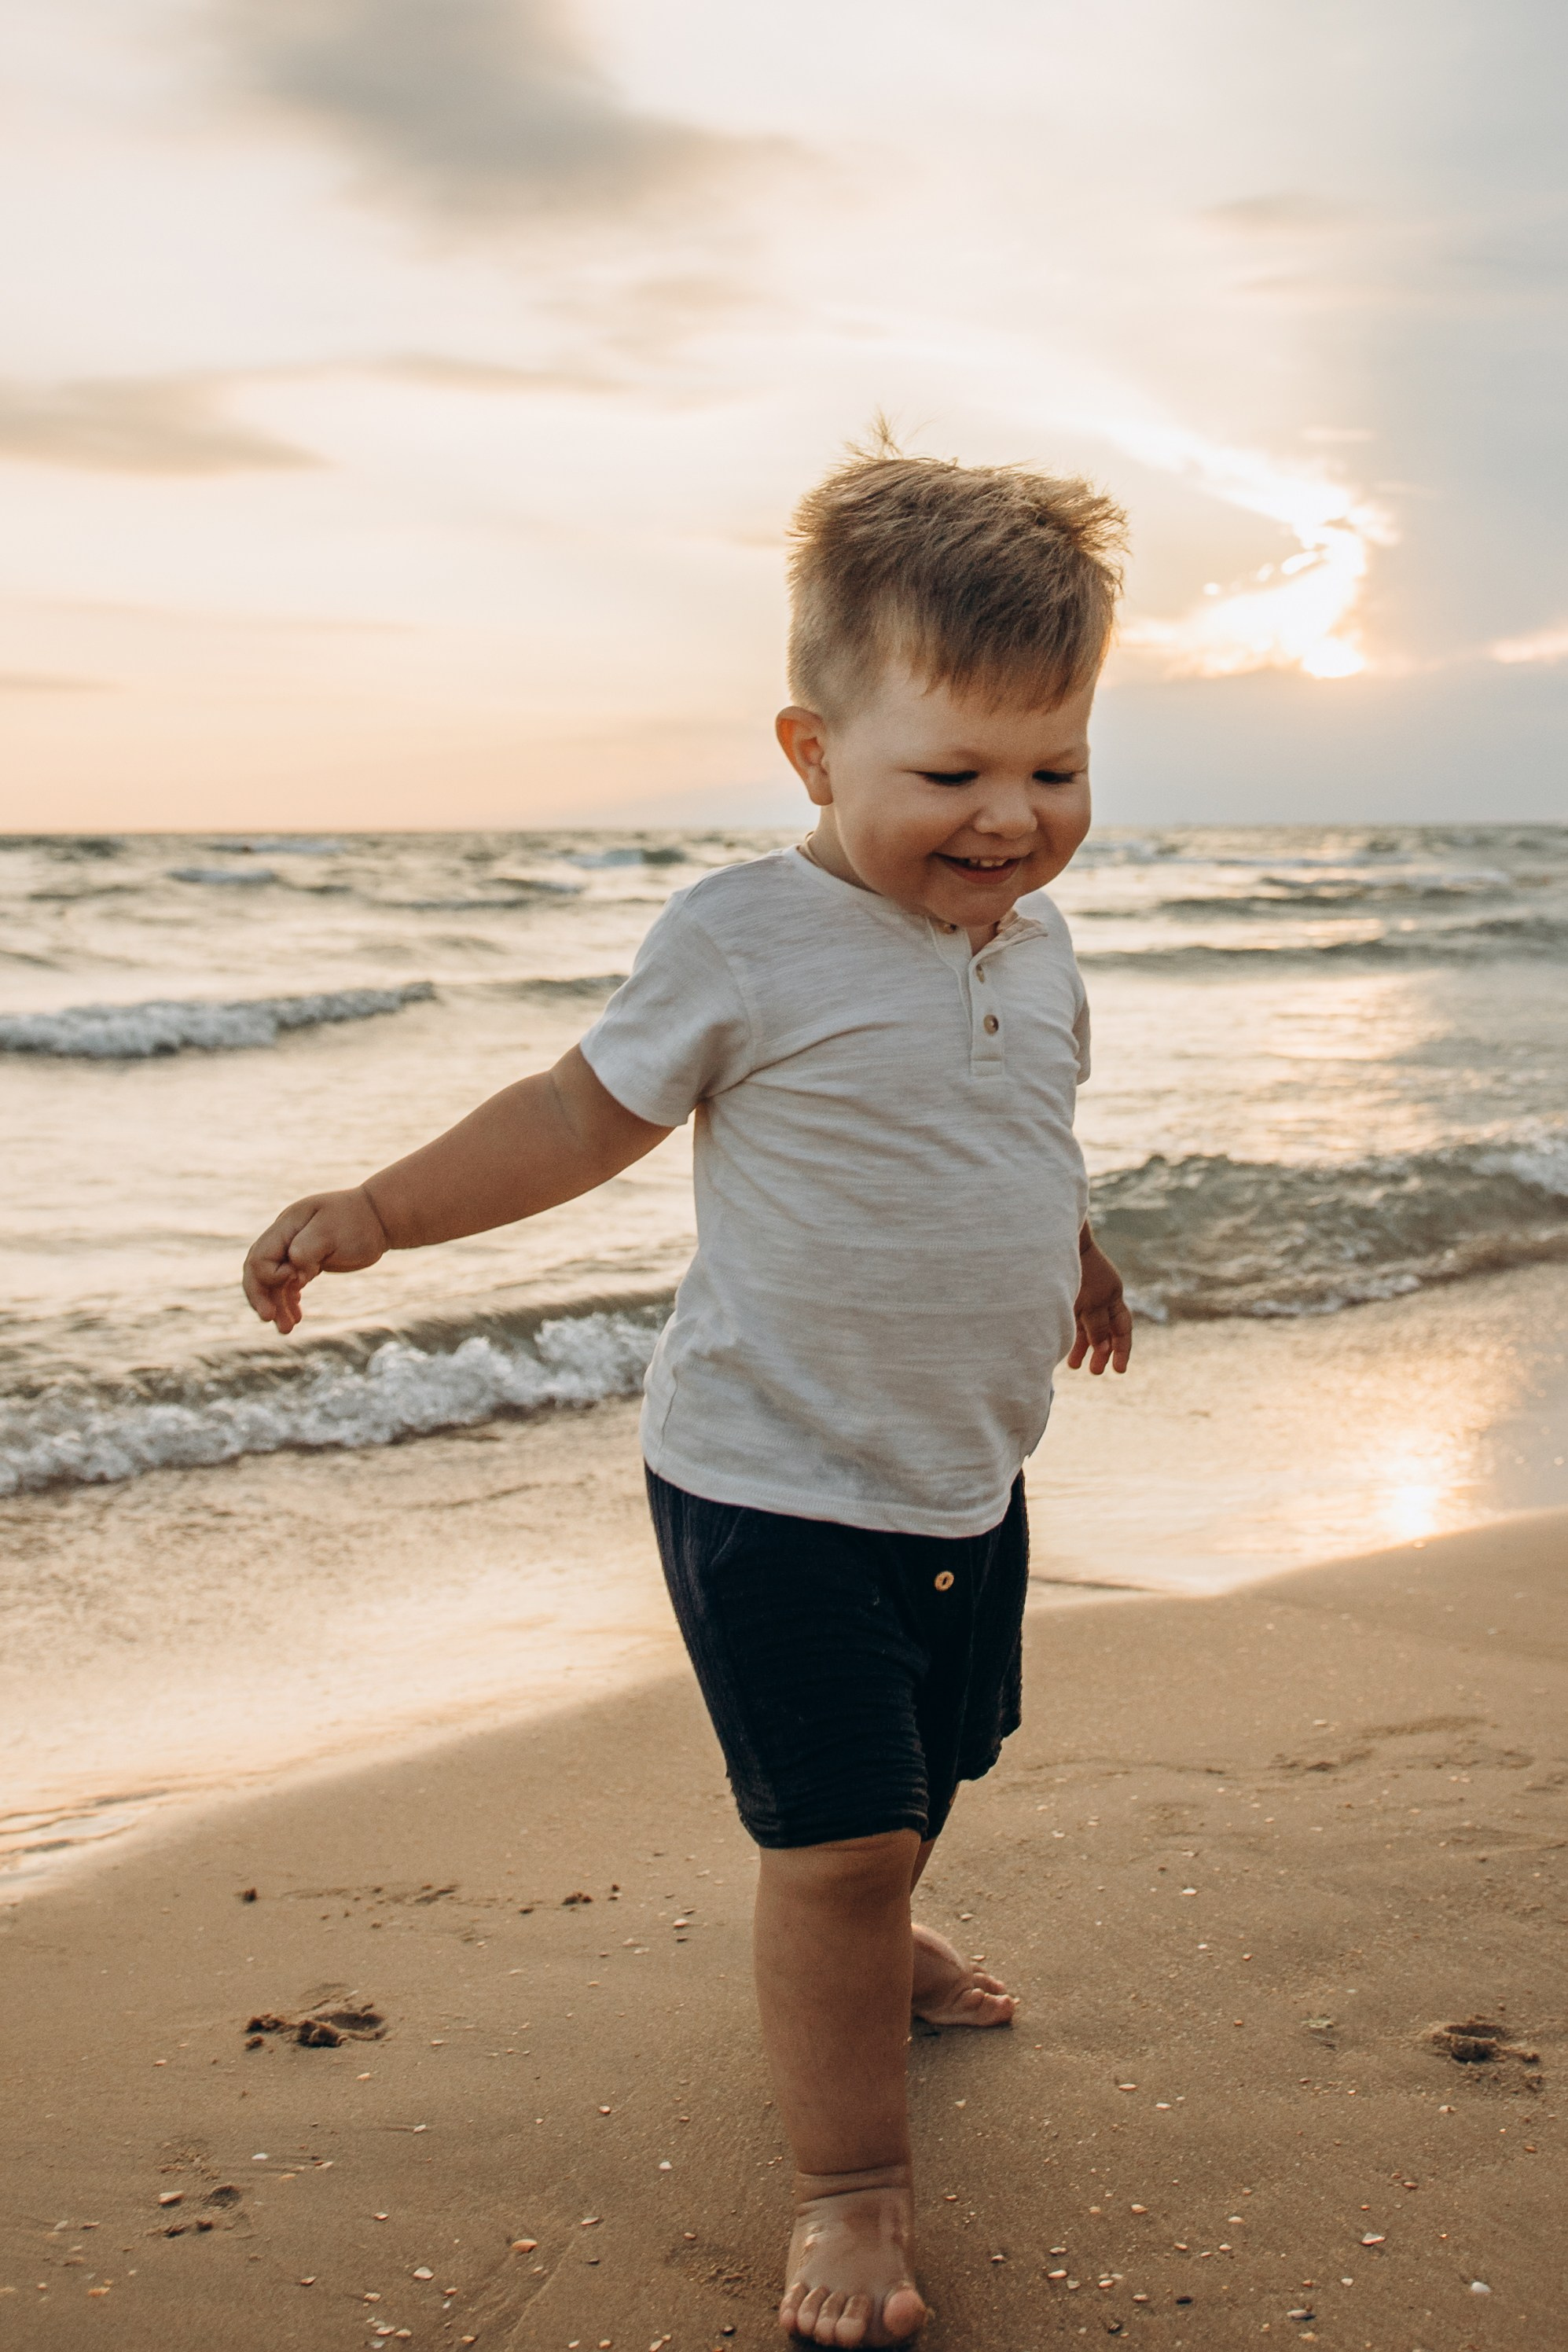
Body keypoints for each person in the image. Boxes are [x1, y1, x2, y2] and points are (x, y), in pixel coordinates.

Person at [242, 438, 1134, 2350]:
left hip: (966, 1473)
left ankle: (880, 1932)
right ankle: (847, 2185)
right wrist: (383, 1210)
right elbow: (580, 1112)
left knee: (931, 1770)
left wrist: (1075, 1250)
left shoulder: (1039, 947)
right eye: (951, 773)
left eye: (1052, 767)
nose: (1008, 820)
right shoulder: (748, 935)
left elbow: (1023, 1126)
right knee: (831, 1830)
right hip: (771, 1476)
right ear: (815, 753)